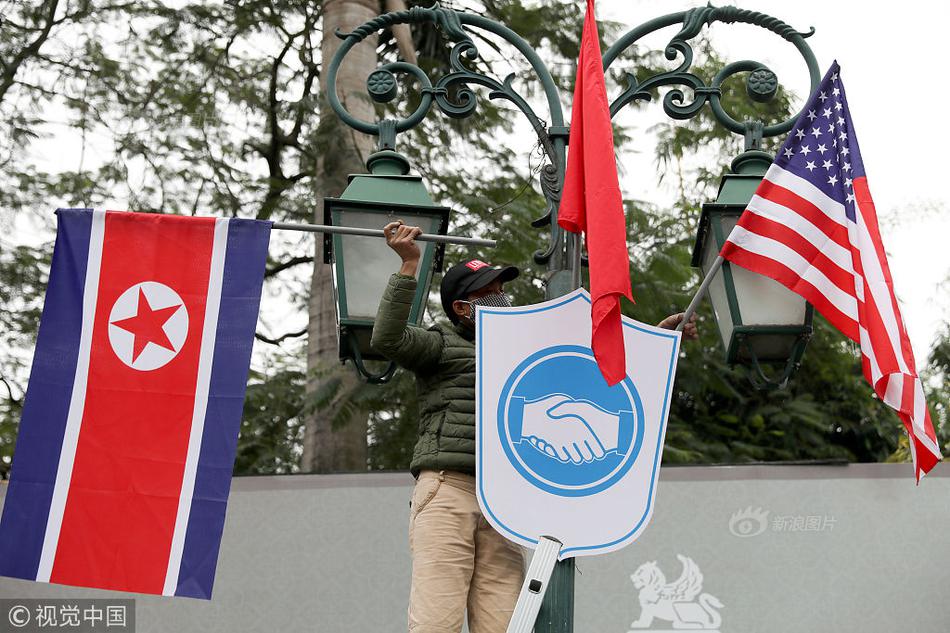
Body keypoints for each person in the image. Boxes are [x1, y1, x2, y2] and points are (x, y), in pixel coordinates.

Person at [371, 220, 697, 633]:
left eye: (500, 288)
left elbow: (588, 376)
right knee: (436, 623)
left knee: (507, 626)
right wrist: (409, 265)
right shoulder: (441, 344)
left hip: (506, 502)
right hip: (448, 489)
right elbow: (387, 339)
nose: (501, 297)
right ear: (461, 308)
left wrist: (656, 340)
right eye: (488, 292)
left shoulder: (525, 350)